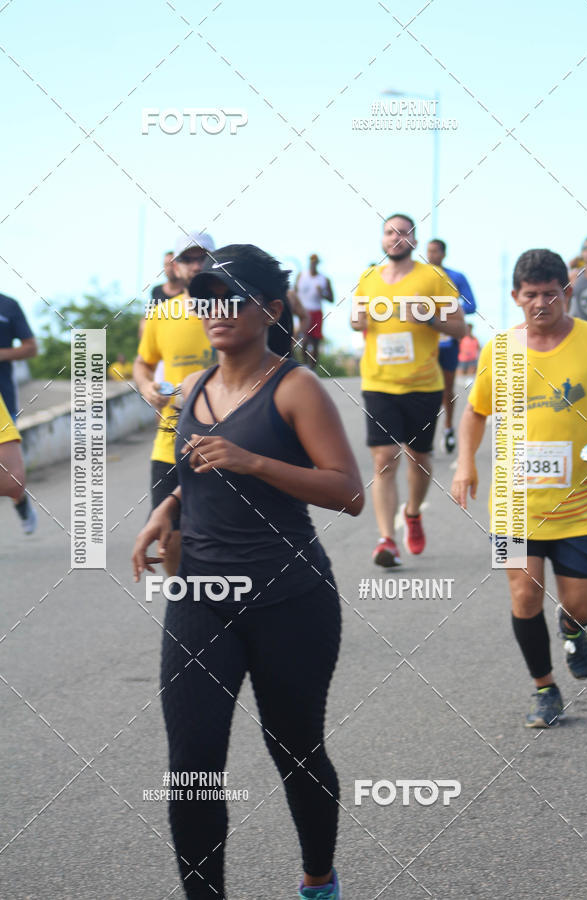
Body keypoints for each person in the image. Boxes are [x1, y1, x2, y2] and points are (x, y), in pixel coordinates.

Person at [132, 244, 363, 900]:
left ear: (269, 308)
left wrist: (253, 461)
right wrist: (166, 511)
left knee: (295, 752)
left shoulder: (295, 387)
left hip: (290, 601)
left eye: (234, 296)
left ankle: (318, 879)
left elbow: (347, 492)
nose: (217, 310)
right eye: (206, 296)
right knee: (192, 769)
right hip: (200, 598)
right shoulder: (196, 387)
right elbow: (193, 471)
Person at [452, 248, 587, 728]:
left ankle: (574, 627)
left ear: (567, 293)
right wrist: (463, 463)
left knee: (580, 603)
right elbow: (475, 411)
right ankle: (544, 689)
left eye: (550, 294)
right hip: (514, 506)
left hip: (584, 505)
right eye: (531, 295)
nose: (541, 303)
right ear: (516, 297)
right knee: (523, 595)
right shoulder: (501, 348)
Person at [351, 213, 464, 567]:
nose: (395, 238)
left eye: (403, 232)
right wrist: (359, 319)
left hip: (422, 385)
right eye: (389, 232)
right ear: (381, 239)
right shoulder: (369, 278)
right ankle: (387, 540)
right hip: (379, 383)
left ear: (413, 239)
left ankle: (412, 513)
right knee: (384, 460)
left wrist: (429, 317)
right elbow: (356, 319)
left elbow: (460, 327)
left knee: (419, 458)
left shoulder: (433, 277)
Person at [133, 231, 217, 576]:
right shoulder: (162, 313)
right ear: (175, 266)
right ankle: (184, 603)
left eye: (203, 258)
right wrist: (146, 386)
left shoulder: (242, 310)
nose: (196, 266)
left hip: (231, 439)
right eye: (188, 259)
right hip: (170, 440)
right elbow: (143, 362)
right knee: (170, 535)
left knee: (229, 534)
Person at [426, 239, 477, 453]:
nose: (431, 255)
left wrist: (449, 309)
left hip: (448, 340)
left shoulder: (456, 277)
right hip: (425, 341)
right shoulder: (419, 277)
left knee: (447, 388)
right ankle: (425, 434)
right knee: (425, 389)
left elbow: (472, 305)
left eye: (435, 251)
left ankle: (447, 428)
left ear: (443, 254)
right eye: (428, 251)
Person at [0, 291, 38, 532]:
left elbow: (31, 348)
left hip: (5, 399)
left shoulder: (8, 306)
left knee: (11, 480)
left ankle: (20, 500)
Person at [295, 253, 334, 369]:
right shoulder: (301, 276)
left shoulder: (324, 279)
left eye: (315, 261)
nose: (313, 263)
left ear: (318, 263)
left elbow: (332, 299)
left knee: (315, 341)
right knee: (304, 339)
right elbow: (294, 292)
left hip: (316, 312)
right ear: (309, 262)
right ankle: (304, 366)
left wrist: (322, 293)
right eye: (311, 261)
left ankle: (313, 369)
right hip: (303, 312)